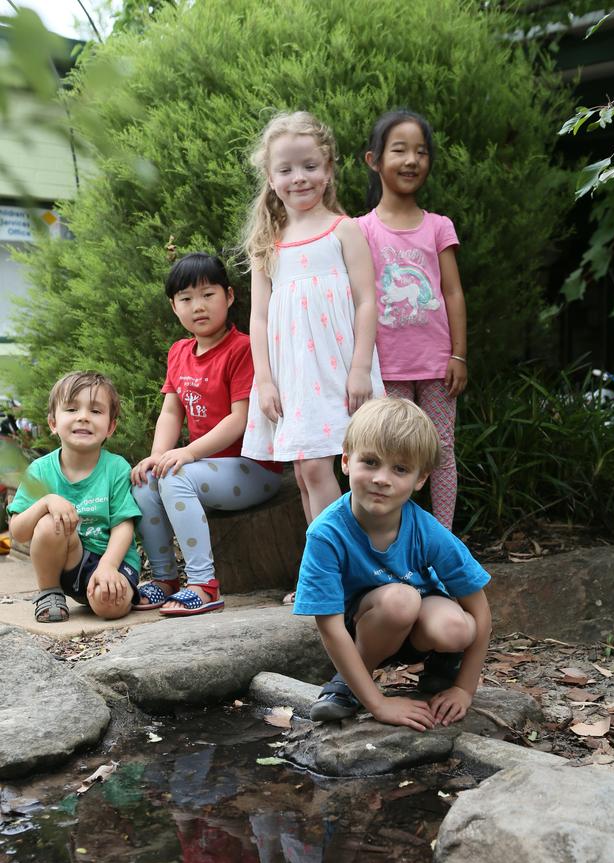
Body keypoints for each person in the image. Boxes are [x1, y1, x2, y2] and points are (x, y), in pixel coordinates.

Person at [240, 111, 384, 602]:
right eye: (286, 169)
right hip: (292, 375)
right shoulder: (267, 243)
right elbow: (258, 318)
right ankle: (324, 566)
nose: (298, 177)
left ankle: (337, 573)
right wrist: (264, 380)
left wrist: (361, 367)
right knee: (304, 471)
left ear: (329, 168)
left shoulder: (344, 230)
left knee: (324, 469)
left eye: (309, 166)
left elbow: (367, 299)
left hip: (338, 368)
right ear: (271, 177)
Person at [293, 397, 491, 731]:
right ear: (345, 461)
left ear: (420, 479)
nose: (382, 478)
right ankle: (349, 684)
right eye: (370, 462)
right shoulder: (326, 534)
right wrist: (379, 703)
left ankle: (443, 670)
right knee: (401, 600)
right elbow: (329, 627)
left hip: (420, 627)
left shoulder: (428, 531)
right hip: (367, 628)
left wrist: (464, 688)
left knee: (454, 626)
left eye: (399, 469)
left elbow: (480, 611)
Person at [131, 253, 283, 616]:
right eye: (186, 298)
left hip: (254, 468)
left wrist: (187, 453)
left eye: (207, 294)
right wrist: (157, 454)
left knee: (175, 475)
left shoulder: (242, 348)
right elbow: (171, 409)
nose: (197, 306)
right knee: (143, 480)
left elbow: (239, 419)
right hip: (206, 469)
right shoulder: (180, 352)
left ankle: (203, 584)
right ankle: (165, 578)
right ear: (174, 306)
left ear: (229, 296)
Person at [357, 109, 468, 530]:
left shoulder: (438, 227)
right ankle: (394, 536)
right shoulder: (361, 230)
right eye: (399, 150)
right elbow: (358, 298)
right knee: (391, 453)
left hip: (438, 365)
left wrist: (459, 355)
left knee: (440, 450)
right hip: (388, 368)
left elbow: (453, 292)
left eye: (421, 152)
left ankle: (443, 537)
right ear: (374, 160)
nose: (411, 161)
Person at [8, 371, 141, 623]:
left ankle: (106, 591)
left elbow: (123, 525)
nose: (83, 417)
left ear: (111, 426)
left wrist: (108, 566)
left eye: (96, 411)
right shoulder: (40, 470)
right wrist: (45, 502)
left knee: (109, 607)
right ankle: (49, 593)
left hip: (112, 559)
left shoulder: (116, 468)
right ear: (53, 423)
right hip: (69, 560)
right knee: (49, 523)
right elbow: (19, 532)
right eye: (71, 409)